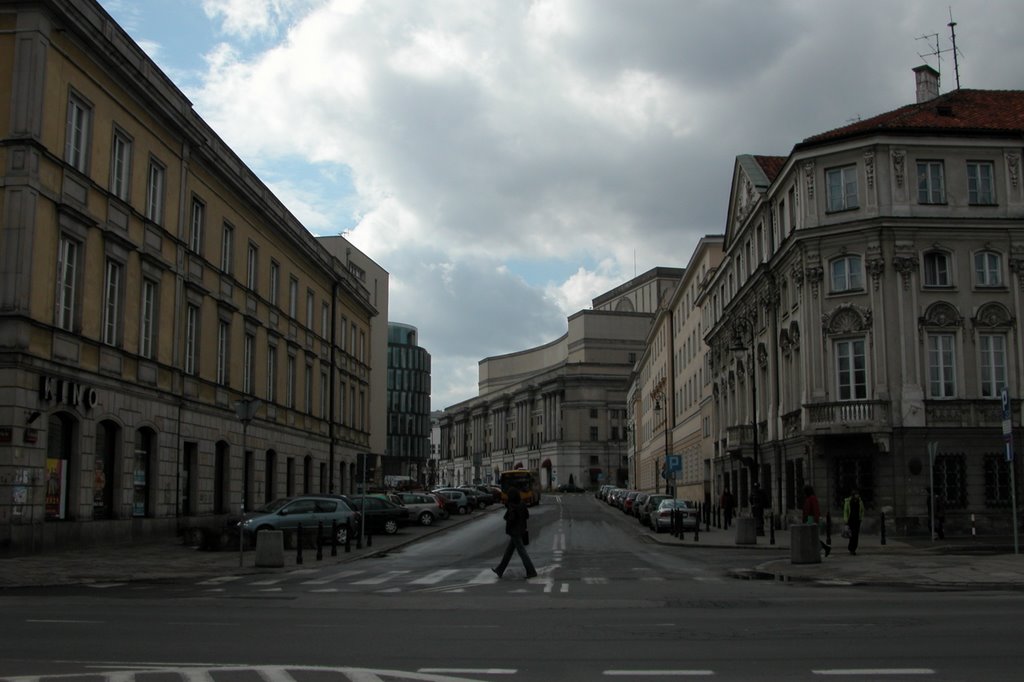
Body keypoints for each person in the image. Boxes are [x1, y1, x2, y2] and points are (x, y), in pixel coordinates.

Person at [492, 488, 537, 579]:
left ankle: (531, 571)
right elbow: (527, 516)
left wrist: (509, 515)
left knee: (522, 552)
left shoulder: (512, 505)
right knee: (508, 552)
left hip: (514, 531)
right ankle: (500, 570)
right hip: (521, 530)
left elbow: (510, 518)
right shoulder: (522, 504)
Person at [801, 484, 831, 557]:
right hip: (808, 520)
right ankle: (824, 548)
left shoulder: (812, 498)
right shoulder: (808, 498)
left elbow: (815, 510)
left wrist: (816, 521)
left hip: (812, 520)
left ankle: (823, 548)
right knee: (811, 537)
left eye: (804, 491)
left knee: (811, 537)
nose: (803, 493)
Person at [843, 488, 865, 555]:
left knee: (856, 535)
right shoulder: (848, 501)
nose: (857, 495)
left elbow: (862, 510)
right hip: (850, 520)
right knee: (851, 535)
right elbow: (845, 511)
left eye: (858, 494)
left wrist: (861, 518)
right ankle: (851, 548)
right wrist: (846, 520)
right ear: (853, 495)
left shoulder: (860, 501)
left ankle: (854, 549)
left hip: (857, 520)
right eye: (856, 494)